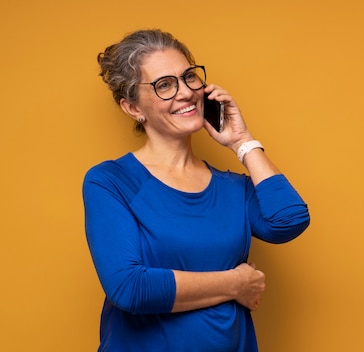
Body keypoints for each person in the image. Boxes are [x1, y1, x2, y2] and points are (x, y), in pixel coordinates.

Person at [82, 29, 310, 351]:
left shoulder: (233, 187)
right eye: (164, 85)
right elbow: (130, 287)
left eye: (189, 77)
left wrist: (242, 142)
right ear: (133, 108)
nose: (186, 92)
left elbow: (289, 220)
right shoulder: (112, 181)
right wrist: (235, 284)